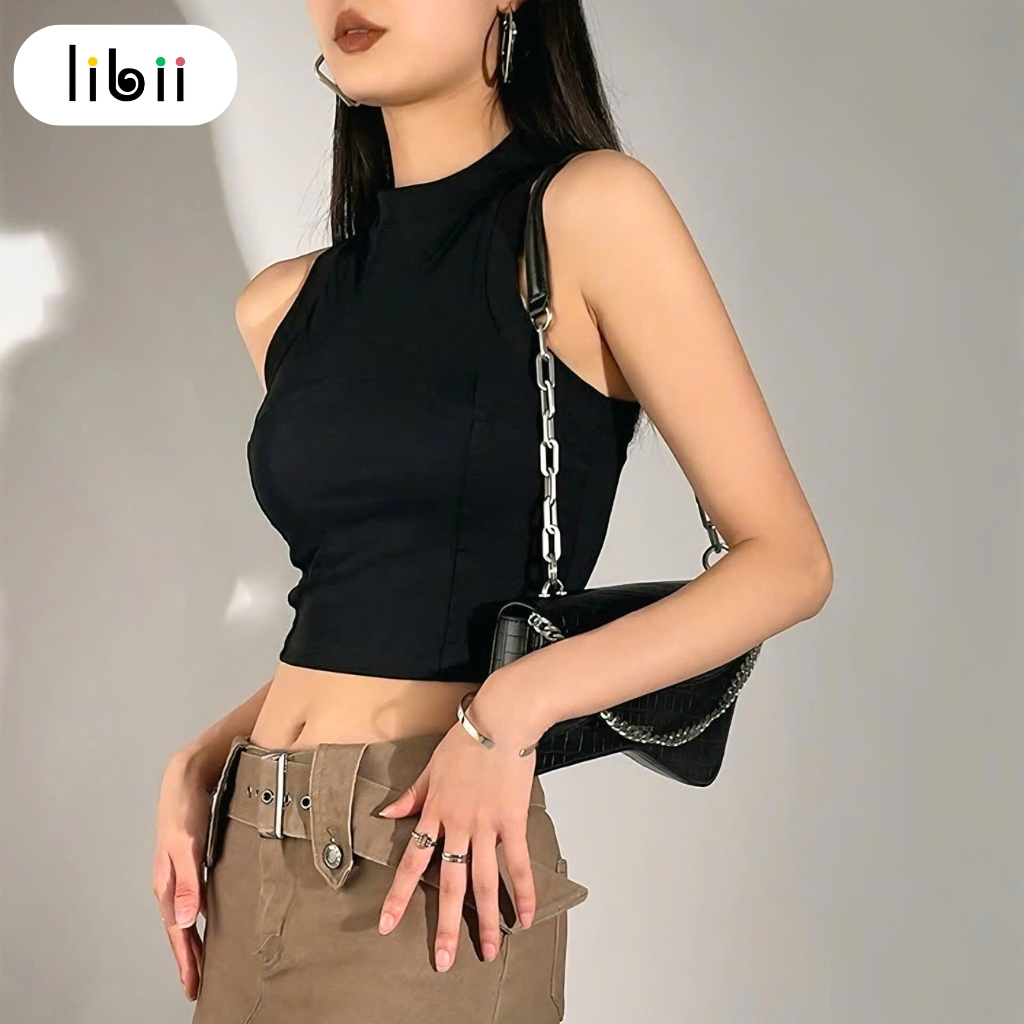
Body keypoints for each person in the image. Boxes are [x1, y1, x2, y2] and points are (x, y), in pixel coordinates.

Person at [152, 2, 833, 1022]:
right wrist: (204, 756)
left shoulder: (588, 213)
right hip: (245, 851)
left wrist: (507, 715)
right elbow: (369, 608)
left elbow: (787, 562)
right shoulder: (284, 306)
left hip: (424, 860)